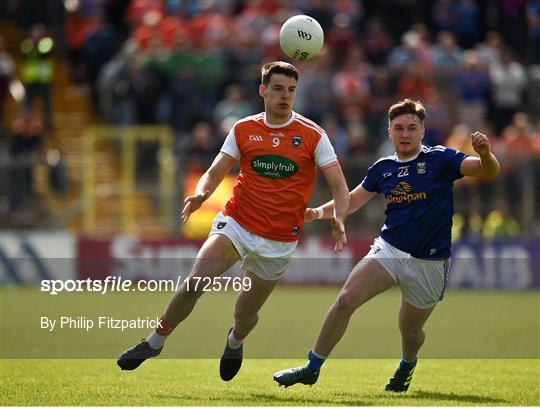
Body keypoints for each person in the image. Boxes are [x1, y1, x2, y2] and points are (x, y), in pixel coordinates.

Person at [117, 61, 350, 381]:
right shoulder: (243, 128)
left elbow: (339, 186)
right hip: (237, 223)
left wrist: (337, 217)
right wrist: (201, 194)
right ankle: (154, 342)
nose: (286, 96)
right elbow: (215, 171)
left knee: (245, 314)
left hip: (279, 238)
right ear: (263, 91)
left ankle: (235, 339)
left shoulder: (313, 134)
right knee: (195, 282)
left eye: (292, 90)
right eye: (279, 89)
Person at [273, 98, 500, 392]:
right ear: (389, 131)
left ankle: (407, 363)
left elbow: (488, 171)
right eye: (398, 128)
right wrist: (318, 212)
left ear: (422, 131)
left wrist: (485, 154)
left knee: (410, 332)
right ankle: (312, 366)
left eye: (411, 128)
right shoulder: (383, 168)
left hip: (429, 263)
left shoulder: (441, 159)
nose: (404, 133)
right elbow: (351, 201)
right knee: (345, 301)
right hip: (389, 250)